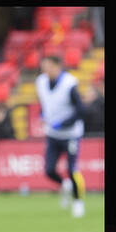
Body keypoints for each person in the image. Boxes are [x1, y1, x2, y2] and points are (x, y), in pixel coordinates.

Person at [35, 55, 88, 218]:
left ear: (58, 66)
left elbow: (81, 111)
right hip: (52, 134)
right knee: (49, 170)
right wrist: (42, 115)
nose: (45, 70)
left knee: (72, 169)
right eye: (44, 66)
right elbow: (45, 103)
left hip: (71, 134)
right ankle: (64, 185)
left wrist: (64, 123)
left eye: (49, 66)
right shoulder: (41, 82)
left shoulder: (69, 84)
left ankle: (78, 201)